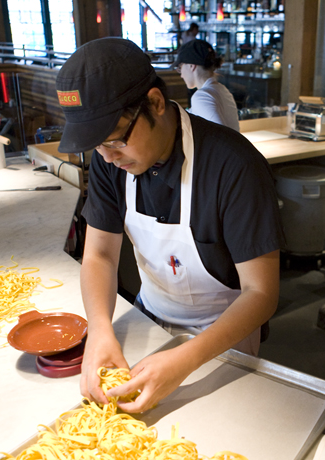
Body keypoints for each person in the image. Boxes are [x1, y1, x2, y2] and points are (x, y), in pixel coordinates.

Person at [55, 38, 283, 413]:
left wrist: (183, 360)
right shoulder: (109, 162)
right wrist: (99, 329)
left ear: (156, 104)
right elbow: (98, 255)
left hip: (224, 337)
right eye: (98, 146)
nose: (109, 157)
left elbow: (261, 293)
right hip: (149, 320)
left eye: (115, 140)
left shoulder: (234, 165)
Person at [172, 39, 240, 131]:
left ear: (191, 66)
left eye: (180, 67)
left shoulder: (202, 96)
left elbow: (220, 139)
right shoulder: (221, 89)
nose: (181, 75)